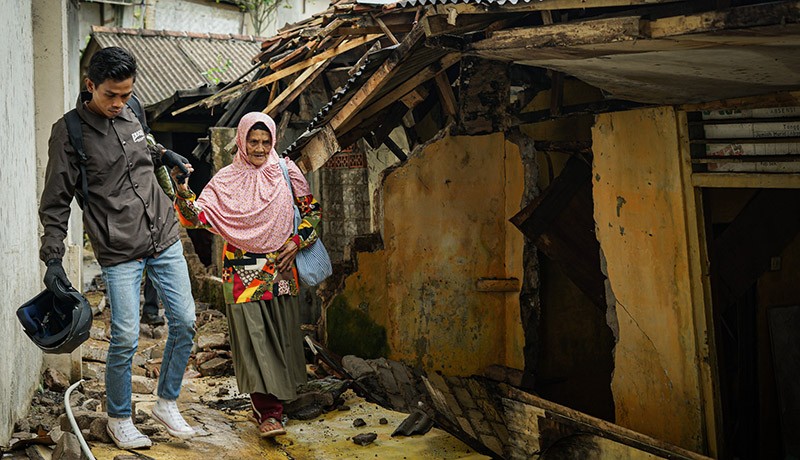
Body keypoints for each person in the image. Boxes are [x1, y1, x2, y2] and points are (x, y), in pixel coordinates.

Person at [39, 46, 197, 449]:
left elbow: (140, 145)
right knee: (125, 336)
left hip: (162, 232)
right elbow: (56, 202)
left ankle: (166, 401)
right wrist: (52, 258)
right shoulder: (70, 132)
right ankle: (119, 416)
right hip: (118, 246)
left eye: (126, 95)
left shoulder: (133, 109)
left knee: (185, 321)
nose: (119, 103)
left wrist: (164, 153)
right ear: (90, 85)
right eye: (111, 95)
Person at [172, 112, 321, 438]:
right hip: (241, 273)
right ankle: (268, 411)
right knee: (255, 341)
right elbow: (194, 217)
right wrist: (182, 190)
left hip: (281, 268)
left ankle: (279, 402)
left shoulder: (286, 172)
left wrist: (297, 242)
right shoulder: (226, 179)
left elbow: (312, 212)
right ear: (241, 141)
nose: (259, 147)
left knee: (280, 338)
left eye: (265, 141)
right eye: (253, 141)